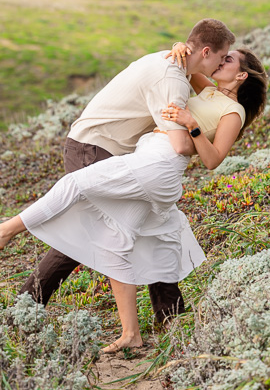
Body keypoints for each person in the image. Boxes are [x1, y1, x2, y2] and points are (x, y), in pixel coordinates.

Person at [0, 45, 268, 352]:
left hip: (158, 163)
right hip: (151, 158)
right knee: (116, 242)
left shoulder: (234, 112)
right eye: (222, 55)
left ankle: (4, 231)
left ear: (241, 75)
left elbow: (213, 160)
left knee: (74, 185)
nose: (221, 60)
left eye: (228, 59)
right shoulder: (210, 91)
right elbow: (193, 66)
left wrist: (192, 125)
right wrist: (179, 48)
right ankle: (132, 334)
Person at [18, 18, 235, 324]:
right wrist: (196, 132)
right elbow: (180, 145)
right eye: (222, 57)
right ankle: (27, 305)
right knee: (96, 230)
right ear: (207, 51)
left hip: (104, 148)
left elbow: (209, 91)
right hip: (94, 149)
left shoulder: (175, 65)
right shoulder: (172, 78)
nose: (221, 65)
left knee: (152, 223)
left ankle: (169, 314)